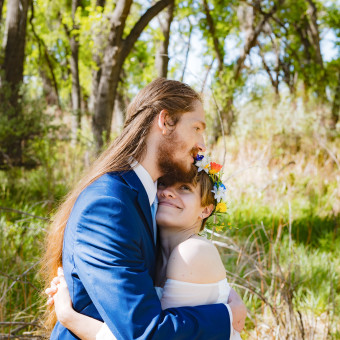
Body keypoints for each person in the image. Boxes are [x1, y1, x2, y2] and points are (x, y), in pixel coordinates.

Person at [43, 78, 242, 339]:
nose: (202, 145)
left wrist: (225, 292)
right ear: (165, 121)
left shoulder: (155, 199)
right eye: (196, 128)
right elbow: (143, 332)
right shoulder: (108, 205)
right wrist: (227, 317)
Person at [46, 169, 247, 340]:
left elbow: (153, 336)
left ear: (205, 210)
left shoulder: (191, 251)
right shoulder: (155, 248)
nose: (168, 192)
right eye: (165, 184)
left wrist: (68, 316)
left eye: (184, 188)